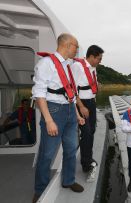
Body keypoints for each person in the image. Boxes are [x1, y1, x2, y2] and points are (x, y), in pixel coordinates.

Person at [31, 33, 85, 203]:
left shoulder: (68, 65)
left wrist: (76, 114)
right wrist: (48, 120)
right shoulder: (46, 64)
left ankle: (68, 181)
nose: (76, 50)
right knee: (47, 154)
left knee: (70, 149)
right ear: (67, 45)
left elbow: (70, 92)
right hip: (54, 111)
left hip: (69, 109)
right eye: (75, 46)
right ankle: (40, 191)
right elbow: (39, 94)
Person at [72, 45, 104, 182]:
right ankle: (86, 164)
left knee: (92, 131)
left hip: (91, 102)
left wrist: (97, 85)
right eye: (99, 58)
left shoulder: (93, 68)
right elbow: (72, 88)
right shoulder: (77, 67)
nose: (100, 61)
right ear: (91, 56)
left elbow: (89, 84)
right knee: (86, 133)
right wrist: (81, 106)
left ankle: (87, 158)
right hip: (82, 104)